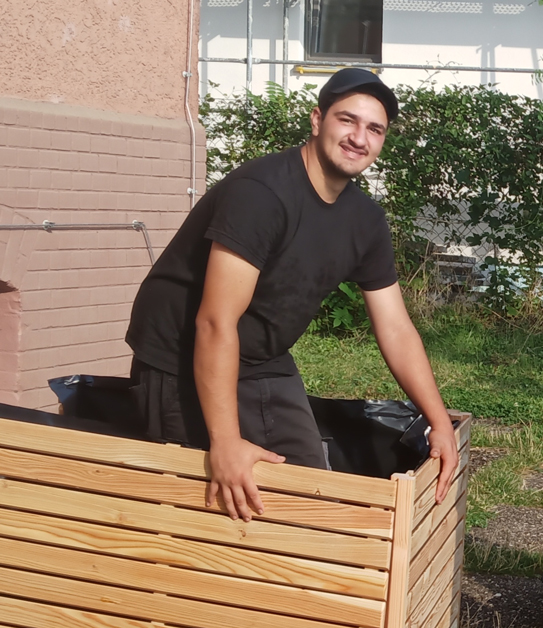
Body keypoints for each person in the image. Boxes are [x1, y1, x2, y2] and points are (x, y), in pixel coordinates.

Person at [125, 69, 458, 521]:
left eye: (374, 129)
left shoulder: (365, 220)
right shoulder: (261, 195)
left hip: (261, 353)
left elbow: (396, 328)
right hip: (179, 352)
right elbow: (215, 321)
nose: (359, 138)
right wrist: (224, 441)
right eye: (348, 120)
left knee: (306, 486)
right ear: (317, 120)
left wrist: (439, 422)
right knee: (208, 498)